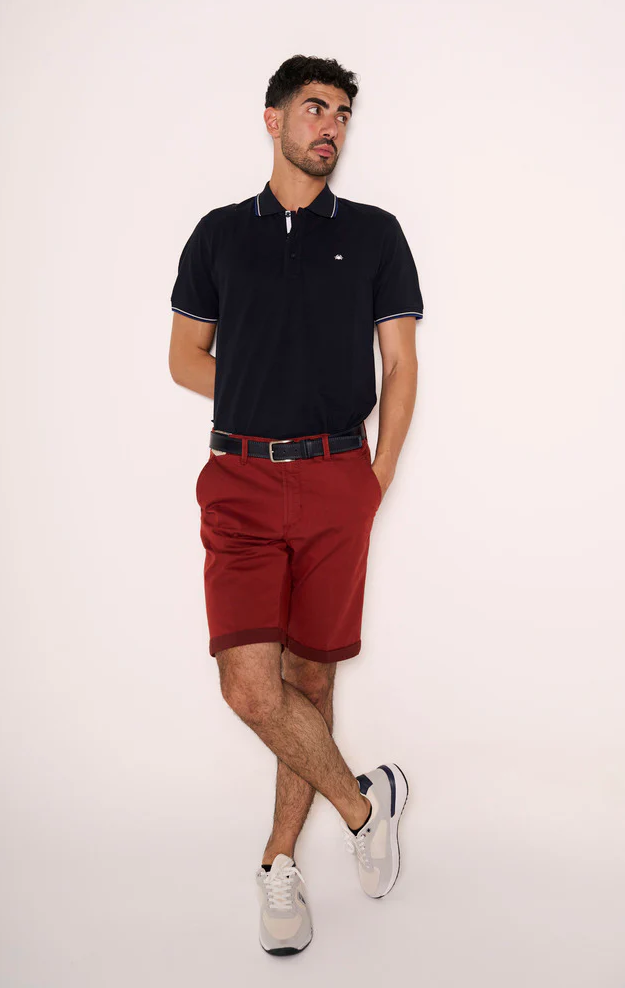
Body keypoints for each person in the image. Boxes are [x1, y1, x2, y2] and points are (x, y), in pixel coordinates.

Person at [168, 54, 423, 956]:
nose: (330, 126)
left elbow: (400, 365)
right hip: (238, 480)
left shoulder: (377, 234)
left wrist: (375, 478)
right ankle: (364, 806)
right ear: (272, 119)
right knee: (249, 685)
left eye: (343, 114)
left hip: (336, 478)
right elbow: (184, 358)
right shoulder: (216, 235)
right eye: (315, 108)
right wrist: (259, 393)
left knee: (311, 681)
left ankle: (279, 861)